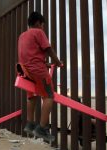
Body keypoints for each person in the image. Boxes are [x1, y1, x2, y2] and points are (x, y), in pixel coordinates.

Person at [17, 11, 62, 142]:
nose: (43, 27)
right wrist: (57, 62)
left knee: (32, 96)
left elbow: (29, 54)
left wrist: (45, 63)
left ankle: (30, 123)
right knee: (49, 96)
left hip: (24, 70)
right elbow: (48, 49)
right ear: (38, 23)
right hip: (37, 70)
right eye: (43, 24)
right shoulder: (38, 32)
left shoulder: (22, 36)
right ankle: (41, 128)